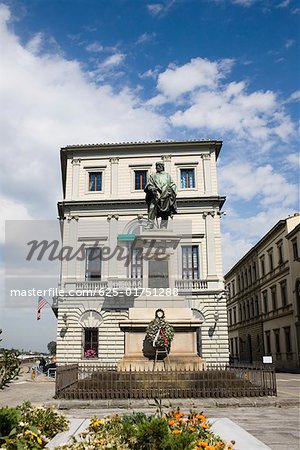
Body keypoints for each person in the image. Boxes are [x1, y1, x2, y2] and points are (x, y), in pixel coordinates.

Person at [144, 161, 177, 228]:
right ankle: (150, 224)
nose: (157, 167)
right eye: (157, 166)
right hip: (155, 195)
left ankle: (164, 226)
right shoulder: (153, 176)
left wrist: (170, 191)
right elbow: (149, 185)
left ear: (162, 167)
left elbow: (173, 185)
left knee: (165, 212)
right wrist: (152, 189)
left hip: (165, 195)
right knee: (152, 208)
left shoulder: (167, 176)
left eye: (159, 166)